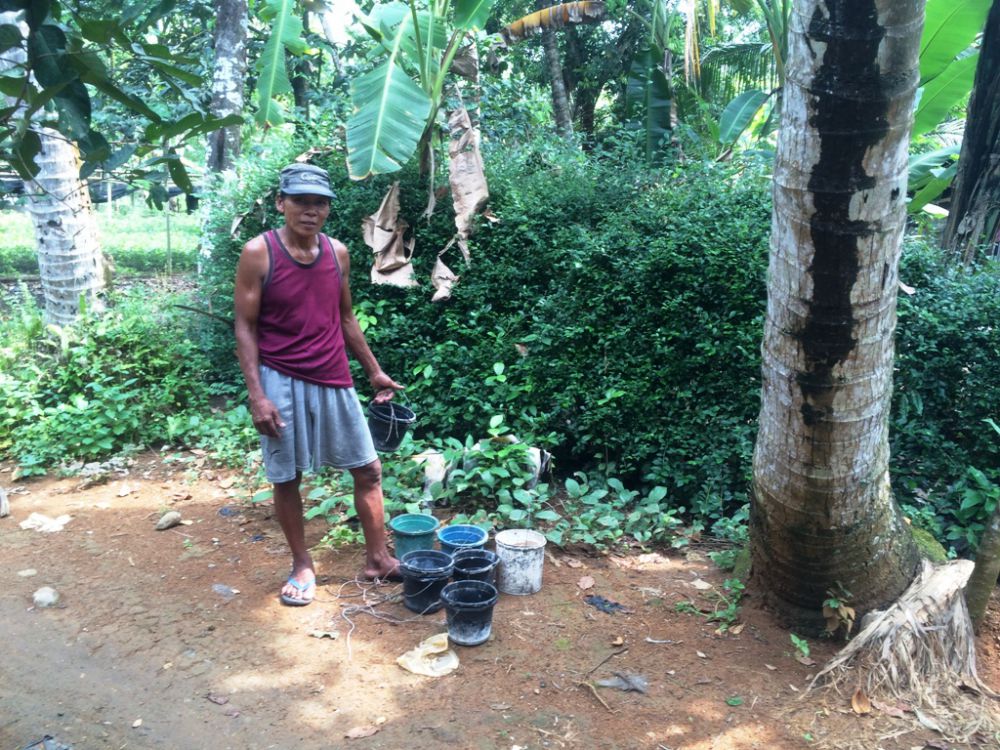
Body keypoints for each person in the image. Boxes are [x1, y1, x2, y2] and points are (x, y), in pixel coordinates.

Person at [234, 163, 402, 606]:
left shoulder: (338, 253)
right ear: (281, 203)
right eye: (301, 201)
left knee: (367, 468)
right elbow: (245, 327)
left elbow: (344, 318)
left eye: (320, 203)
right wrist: (257, 395)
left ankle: (378, 559)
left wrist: (373, 370)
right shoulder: (259, 253)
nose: (311, 211)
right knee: (287, 476)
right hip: (280, 379)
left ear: (328, 209)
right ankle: (302, 565)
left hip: (333, 376)